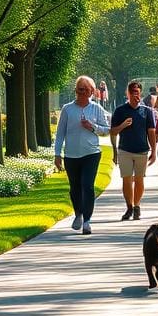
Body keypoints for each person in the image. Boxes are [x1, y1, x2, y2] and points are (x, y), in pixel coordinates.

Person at [54, 75, 111, 235]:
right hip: (71, 155)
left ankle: (87, 220)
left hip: (91, 153)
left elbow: (107, 130)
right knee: (75, 187)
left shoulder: (96, 109)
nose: (82, 93)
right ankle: (78, 213)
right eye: (80, 89)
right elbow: (60, 133)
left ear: (92, 91)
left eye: (86, 90)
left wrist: (92, 127)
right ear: (75, 91)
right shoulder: (67, 109)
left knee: (87, 185)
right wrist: (57, 154)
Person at [111, 80, 157, 220]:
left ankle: (137, 206)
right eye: (132, 92)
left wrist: (154, 151)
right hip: (125, 150)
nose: (135, 95)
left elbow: (151, 132)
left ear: (140, 93)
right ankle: (129, 207)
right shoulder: (120, 111)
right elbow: (112, 131)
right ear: (128, 94)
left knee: (139, 180)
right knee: (126, 180)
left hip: (142, 150)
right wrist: (123, 125)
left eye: (137, 92)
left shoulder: (147, 111)